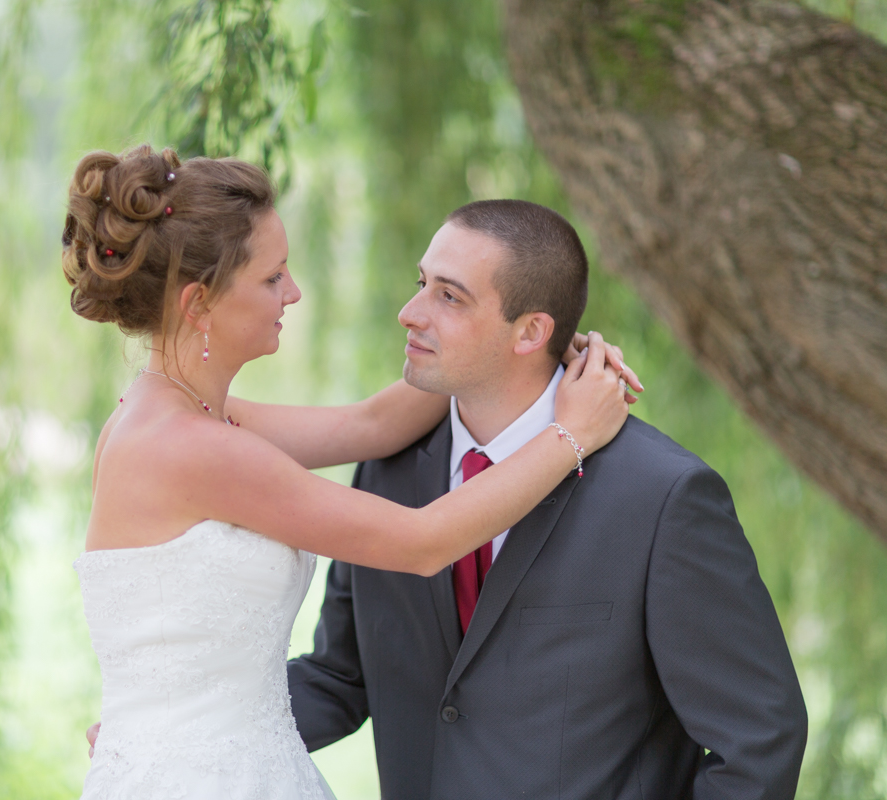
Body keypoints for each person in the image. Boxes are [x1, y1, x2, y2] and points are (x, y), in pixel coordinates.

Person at [63, 145, 633, 800]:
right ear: (199, 302)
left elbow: (370, 426)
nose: (294, 291)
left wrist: (535, 347)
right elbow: (422, 544)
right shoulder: (192, 449)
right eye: (273, 277)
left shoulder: (184, 414)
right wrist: (572, 434)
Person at [265, 200, 808, 798]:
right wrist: (189, 722)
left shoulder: (662, 498)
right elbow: (340, 678)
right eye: (422, 284)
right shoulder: (388, 470)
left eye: (450, 297)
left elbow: (759, 739)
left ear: (531, 331)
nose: (409, 312)